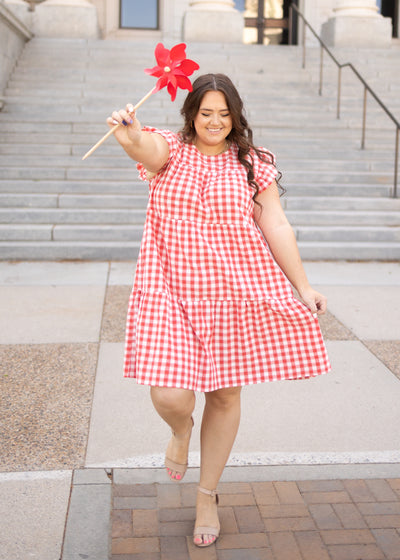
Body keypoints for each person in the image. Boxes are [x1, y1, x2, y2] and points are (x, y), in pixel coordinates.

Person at [107, 73, 331, 548]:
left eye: (224, 113)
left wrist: (302, 285)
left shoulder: (252, 162)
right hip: (168, 288)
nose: (215, 122)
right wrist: (129, 135)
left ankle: (207, 496)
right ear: (191, 114)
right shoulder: (170, 148)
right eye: (206, 113)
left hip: (233, 291)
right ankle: (179, 429)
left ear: (236, 115)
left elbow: (275, 222)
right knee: (172, 395)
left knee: (225, 396)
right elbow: (145, 149)